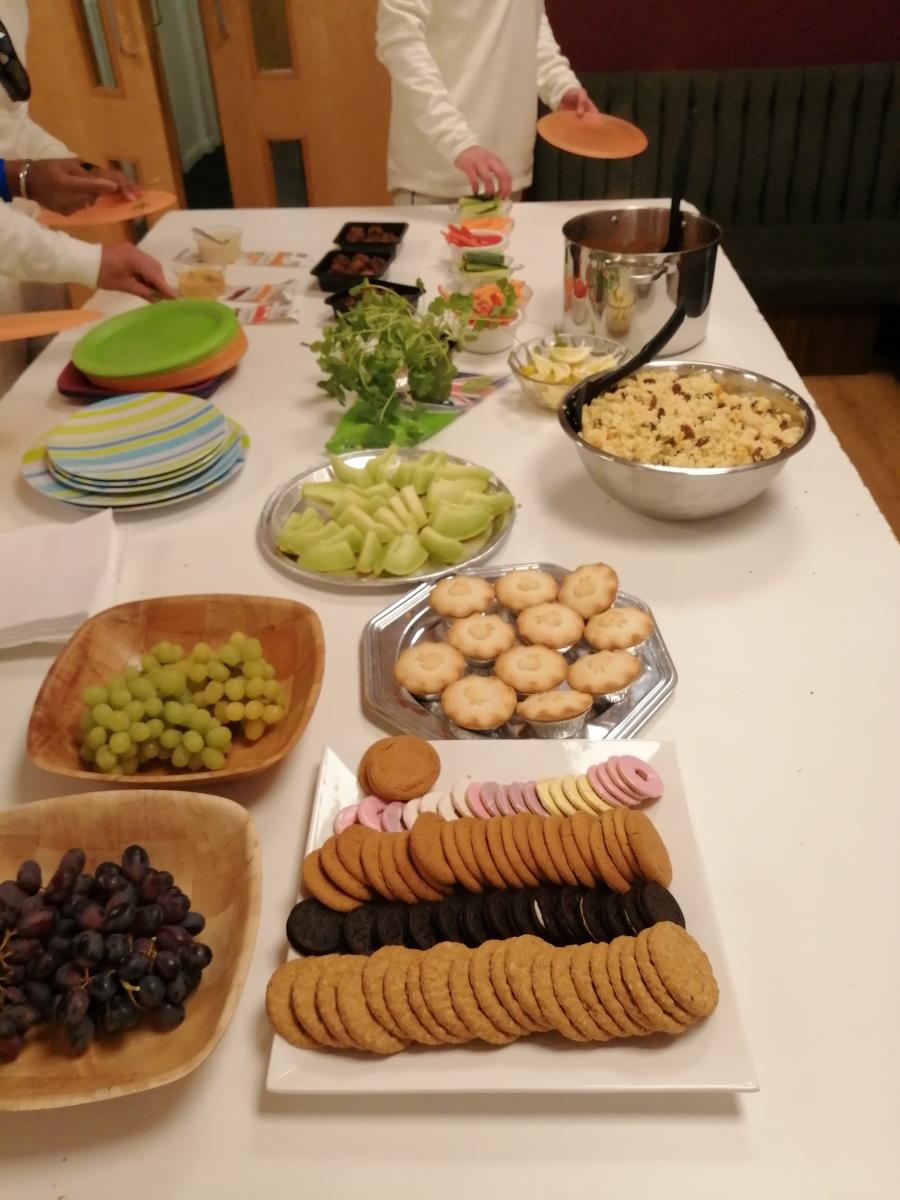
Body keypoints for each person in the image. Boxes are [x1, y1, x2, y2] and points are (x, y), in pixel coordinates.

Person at [376, 0, 597, 204]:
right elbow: (401, 44)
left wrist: (559, 84)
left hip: (507, 172)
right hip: (439, 175)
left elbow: (531, 24)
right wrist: (457, 142)